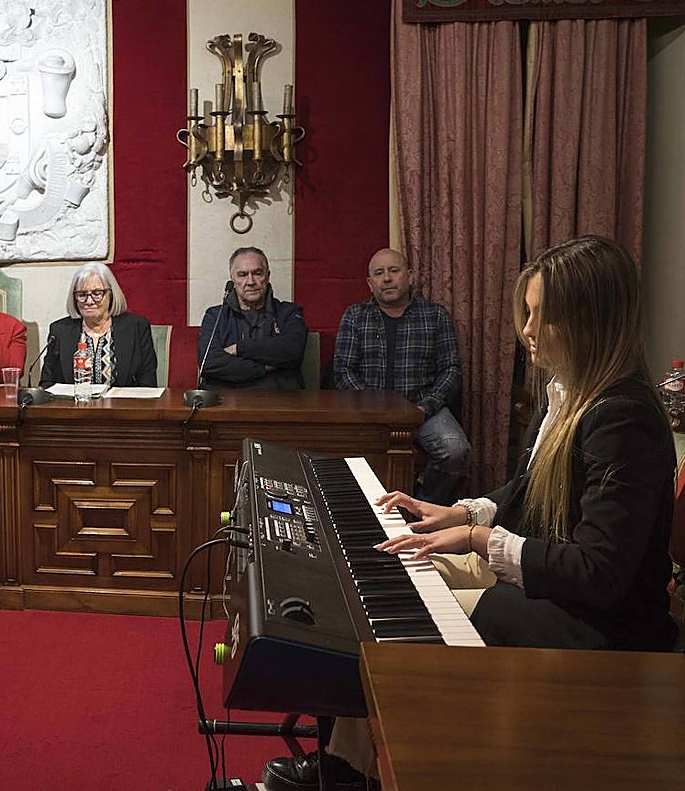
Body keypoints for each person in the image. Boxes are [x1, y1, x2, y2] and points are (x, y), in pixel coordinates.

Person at [270, 235, 679, 789]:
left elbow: (600, 574)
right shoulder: (570, 391)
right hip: (549, 582)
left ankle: (355, 767)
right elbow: (528, 489)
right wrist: (456, 512)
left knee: (395, 628)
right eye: (526, 314)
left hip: (598, 627)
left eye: (540, 316)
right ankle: (346, 763)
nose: (527, 331)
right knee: (384, 575)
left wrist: (480, 540)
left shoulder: (622, 418)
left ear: (588, 319)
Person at [332, 248, 469, 505]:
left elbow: (451, 370)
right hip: (368, 410)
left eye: (393, 271)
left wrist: (424, 407)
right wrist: (374, 405)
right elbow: (343, 371)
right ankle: (367, 511)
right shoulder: (355, 316)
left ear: (409, 276)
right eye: (379, 273)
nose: (387, 278)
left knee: (455, 452)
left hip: (424, 408)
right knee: (339, 453)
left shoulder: (435, 315)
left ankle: (419, 506)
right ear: (370, 283)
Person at [197, 247, 308, 389]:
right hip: (226, 402)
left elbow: (293, 351)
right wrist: (264, 368)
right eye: (242, 275)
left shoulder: (289, 312)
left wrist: (239, 348)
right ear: (233, 280)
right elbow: (209, 362)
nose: (250, 281)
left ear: (267, 276)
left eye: (257, 273)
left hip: (279, 402)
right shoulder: (215, 316)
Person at [39, 262, 156, 388]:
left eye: (97, 293)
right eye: (82, 295)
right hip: (74, 406)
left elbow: (148, 382)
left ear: (111, 294)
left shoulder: (137, 327)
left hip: (123, 406)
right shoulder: (60, 331)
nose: (89, 301)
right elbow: (47, 382)